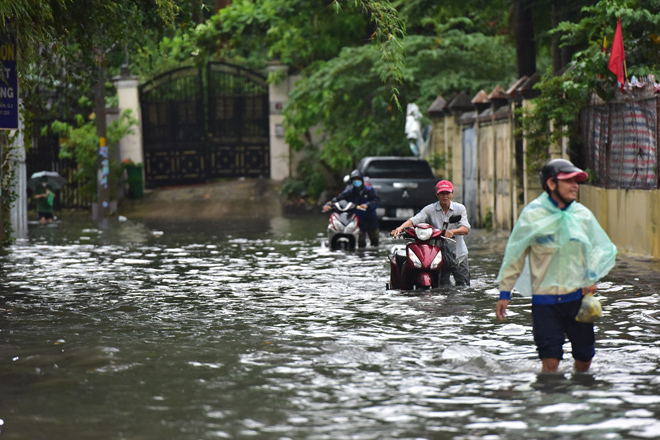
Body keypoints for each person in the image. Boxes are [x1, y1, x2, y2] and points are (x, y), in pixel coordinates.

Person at [495, 158, 617, 373]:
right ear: (551, 184)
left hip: (577, 298)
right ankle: (551, 402)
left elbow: (599, 249)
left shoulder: (582, 215)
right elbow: (515, 255)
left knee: (584, 360)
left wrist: (591, 279)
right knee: (550, 362)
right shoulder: (532, 215)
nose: (575, 186)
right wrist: (505, 293)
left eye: (576, 181)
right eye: (568, 180)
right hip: (545, 302)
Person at [390, 179, 471, 286]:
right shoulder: (430, 209)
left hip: (459, 254)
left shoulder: (460, 209)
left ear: (452, 194)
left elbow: (466, 228)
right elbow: (415, 220)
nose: (444, 196)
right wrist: (400, 228)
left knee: (464, 286)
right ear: (437, 194)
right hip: (439, 255)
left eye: (447, 193)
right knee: (442, 287)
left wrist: (452, 232)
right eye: (442, 193)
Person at [323, 169, 381, 247]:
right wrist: (328, 204)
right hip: (358, 222)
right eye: (354, 179)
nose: (356, 181)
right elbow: (338, 198)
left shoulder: (369, 190)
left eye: (358, 179)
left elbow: (377, 200)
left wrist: (367, 205)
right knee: (360, 243)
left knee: (375, 242)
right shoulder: (349, 192)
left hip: (371, 220)